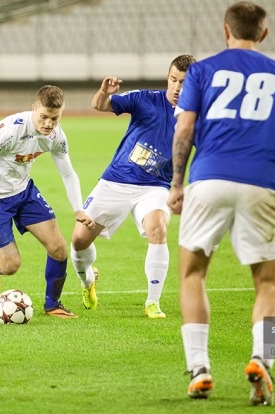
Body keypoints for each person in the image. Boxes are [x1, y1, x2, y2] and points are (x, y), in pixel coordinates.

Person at [166, 1, 275, 405]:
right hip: (263, 183)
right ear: (264, 33)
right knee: (268, 283)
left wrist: (177, 184)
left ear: (226, 31)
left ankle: (199, 369)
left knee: (192, 275)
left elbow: (184, 127)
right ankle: (261, 360)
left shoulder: (201, 71)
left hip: (208, 180)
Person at [0, 85, 95, 318]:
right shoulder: (11, 130)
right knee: (11, 266)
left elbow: (68, 174)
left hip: (23, 192)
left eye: (55, 118)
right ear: (33, 109)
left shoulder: (56, 136)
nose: (49, 124)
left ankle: (52, 305)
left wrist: (78, 209)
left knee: (58, 248)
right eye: (44, 117)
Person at [70, 55, 195, 319]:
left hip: (155, 187)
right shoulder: (145, 99)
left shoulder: (197, 117)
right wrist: (105, 92)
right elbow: (99, 105)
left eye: (184, 82)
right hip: (115, 180)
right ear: (168, 77)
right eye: (173, 80)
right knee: (79, 239)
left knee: (158, 228)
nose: (177, 87)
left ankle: (153, 302)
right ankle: (88, 280)